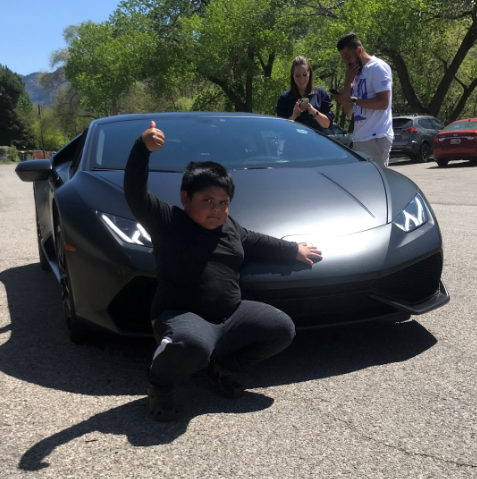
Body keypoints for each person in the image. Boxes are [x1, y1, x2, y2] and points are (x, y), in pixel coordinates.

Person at [124, 121, 323, 422]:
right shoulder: (168, 223)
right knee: (192, 345)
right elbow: (135, 193)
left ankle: (223, 367)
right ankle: (159, 384)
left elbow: (256, 241)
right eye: (207, 201)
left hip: (230, 316)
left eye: (223, 202)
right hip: (181, 316)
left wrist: (293, 249)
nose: (216, 209)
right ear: (185, 197)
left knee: (282, 329)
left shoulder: (230, 228)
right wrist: (142, 148)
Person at [331, 33, 394, 168]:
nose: (346, 62)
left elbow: (383, 103)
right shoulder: (354, 73)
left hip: (376, 137)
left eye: (348, 57)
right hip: (359, 138)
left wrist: (353, 100)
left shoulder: (377, 68)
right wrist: (347, 82)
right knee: (363, 186)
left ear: (359, 50)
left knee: (377, 183)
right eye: (343, 58)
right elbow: (348, 110)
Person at [276, 56, 335, 133]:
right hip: (293, 142)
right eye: (297, 76)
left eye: (304, 75)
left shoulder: (320, 94)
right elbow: (281, 128)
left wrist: (313, 111)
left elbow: (326, 124)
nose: (301, 79)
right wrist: (294, 115)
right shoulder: (285, 97)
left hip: (316, 142)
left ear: (309, 73)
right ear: (292, 75)